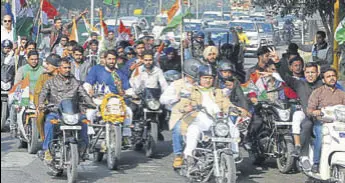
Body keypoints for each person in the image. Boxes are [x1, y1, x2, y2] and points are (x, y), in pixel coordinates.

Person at [179, 65, 249, 174]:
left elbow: (227, 104)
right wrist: (187, 107)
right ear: (199, 78)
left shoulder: (218, 92)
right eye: (205, 78)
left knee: (232, 127)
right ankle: (190, 158)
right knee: (194, 130)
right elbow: (183, 104)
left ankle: (233, 156)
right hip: (198, 118)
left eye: (210, 78)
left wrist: (236, 110)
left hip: (217, 120)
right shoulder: (191, 90)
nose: (208, 80)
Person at [38, 58, 97, 162]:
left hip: (73, 113)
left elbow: (84, 94)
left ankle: (84, 148)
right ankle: (47, 150)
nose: (67, 70)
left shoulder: (75, 82)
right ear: (59, 68)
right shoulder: (50, 82)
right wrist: (41, 104)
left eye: (69, 67)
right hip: (56, 112)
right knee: (49, 122)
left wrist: (92, 104)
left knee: (84, 121)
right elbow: (43, 94)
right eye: (65, 68)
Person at [160, 58, 202, 168]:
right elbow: (163, 99)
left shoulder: (203, 84)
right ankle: (178, 155)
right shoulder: (176, 84)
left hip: (200, 115)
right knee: (178, 128)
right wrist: (176, 97)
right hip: (181, 115)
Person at [83, 50, 132, 144]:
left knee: (129, 111)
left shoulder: (120, 73)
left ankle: (126, 135)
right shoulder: (96, 69)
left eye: (113, 59)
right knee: (90, 113)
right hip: (99, 100)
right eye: (109, 59)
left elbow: (128, 88)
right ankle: (91, 136)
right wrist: (89, 89)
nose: (111, 61)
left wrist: (131, 93)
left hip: (116, 102)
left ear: (116, 60)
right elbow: (88, 83)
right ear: (105, 59)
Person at [307, 67, 345, 173]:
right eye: (328, 77)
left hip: (339, 124)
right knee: (320, 135)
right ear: (323, 80)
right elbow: (309, 109)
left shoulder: (342, 93)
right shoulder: (317, 92)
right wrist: (316, 112)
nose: (331, 78)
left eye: (333, 76)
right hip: (322, 123)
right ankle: (316, 162)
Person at [10, 51, 44, 136]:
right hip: (25, 95)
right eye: (32, 59)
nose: (34, 61)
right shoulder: (22, 69)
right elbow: (17, 84)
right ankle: (13, 127)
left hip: (39, 96)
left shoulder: (43, 70)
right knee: (14, 106)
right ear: (28, 59)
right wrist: (18, 99)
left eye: (36, 59)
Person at [33, 54, 61, 140]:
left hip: (63, 106)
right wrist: (39, 106)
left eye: (48, 64)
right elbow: (37, 93)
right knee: (40, 115)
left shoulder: (65, 76)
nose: (46, 66)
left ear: (55, 66)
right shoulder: (43, 76)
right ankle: (43, 138)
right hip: (48, 105)